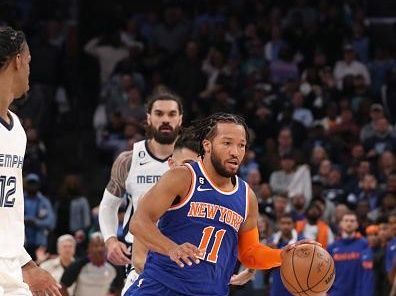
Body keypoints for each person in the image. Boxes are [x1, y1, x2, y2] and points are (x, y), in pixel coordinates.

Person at [127, 113, 316, 296]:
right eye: (227, 143)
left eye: (241, 145)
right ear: (207, 145)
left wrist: (281, 255)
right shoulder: (183, 177)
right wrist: (171, 248)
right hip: (162, 287)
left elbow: (249, 252)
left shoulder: (246, 196)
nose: (235, 152)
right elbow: (138, 223)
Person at [98, 88, 184, 290]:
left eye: (172, 114)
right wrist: (110, 240)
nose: (165, 119)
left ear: (180, 119)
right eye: (159, 113)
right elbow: (108, 206)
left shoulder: (193, 160)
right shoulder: (129, 159)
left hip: (181, 254)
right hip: (139, 254)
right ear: (148, 118)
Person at [0, 26, 60, 296]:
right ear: (17, 60)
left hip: (10, 271)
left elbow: (8, 212)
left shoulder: (17, 130)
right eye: (29, 62)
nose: (29, 71)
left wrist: (26, 263)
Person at [327, 212, 373, 296]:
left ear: (357, 224)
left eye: (352, 221)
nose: (349, 223)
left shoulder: (365, 244)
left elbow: (368, 273)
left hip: (358, 292)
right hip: (337, 292)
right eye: (346, 220)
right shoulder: (332, 247)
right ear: (340, 224)